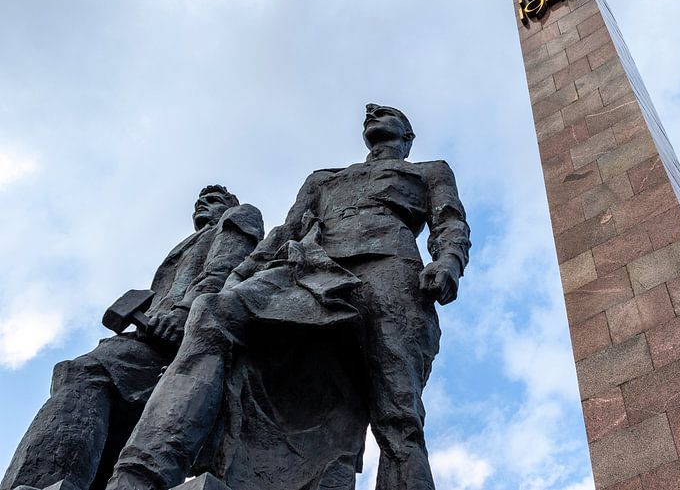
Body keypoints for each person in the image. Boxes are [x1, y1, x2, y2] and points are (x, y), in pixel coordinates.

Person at [105, 104, 470, 490]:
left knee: (398, 410)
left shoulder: (430, 171)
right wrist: (238, 277)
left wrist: (449, 261)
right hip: (310, 267)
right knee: (212, 313)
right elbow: (286, 231)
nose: (370, 113)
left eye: (384, 113)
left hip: (389, 270)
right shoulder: (323, 179)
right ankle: (141, 474)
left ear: (408, 137)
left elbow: (450, 220)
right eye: (369, 114)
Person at [1, 185, 263, 490]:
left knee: (88, 371)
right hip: (154, 330)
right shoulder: (189, 242)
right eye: (198, 202)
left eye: (213, 200)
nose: (201, 205)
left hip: (186, 335)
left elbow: (226, 266)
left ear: (230, 203)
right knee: (112, 410)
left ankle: (41, 483)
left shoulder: (240, 215)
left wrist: (183, 313)